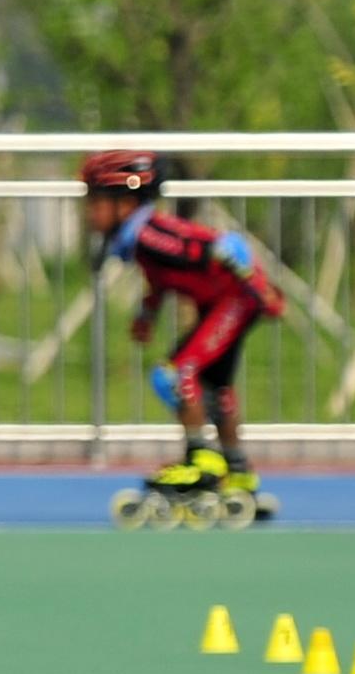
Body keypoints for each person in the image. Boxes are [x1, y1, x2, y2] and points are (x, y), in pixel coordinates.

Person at [82, 150, 283, 519]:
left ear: (125, 203)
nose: (88, 214)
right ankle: (237, 473)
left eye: (95, 203)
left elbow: (206, 249)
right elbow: (161, 279)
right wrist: (147, 314)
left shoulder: (150, 236)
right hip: (224, 303)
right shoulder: (139, 239)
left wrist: (257, 286)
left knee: (175, 375)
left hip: (233, 301)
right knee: (216, 388)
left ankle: (201, 463)